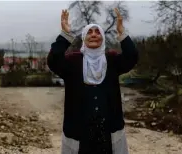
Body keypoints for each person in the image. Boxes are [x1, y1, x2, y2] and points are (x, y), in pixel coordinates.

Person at [47, 8, 138, 154]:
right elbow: (54, 60)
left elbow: (132, 56)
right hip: (79, 134)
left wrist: (122, 32)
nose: (94, 35)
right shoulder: (73, 61)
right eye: (89, 32)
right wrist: (65, 35)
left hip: (108, 132)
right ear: (83, 38)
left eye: (97, 32)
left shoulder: (112, 60)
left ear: (102, 37)